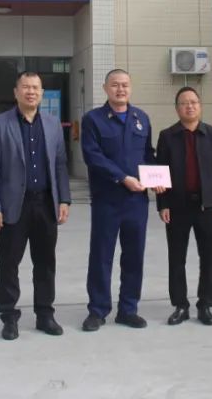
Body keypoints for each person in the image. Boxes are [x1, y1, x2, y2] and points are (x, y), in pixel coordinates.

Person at [0, 71, 72, 341]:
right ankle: (9, 317)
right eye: (25, 87)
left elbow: (60, 164)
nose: (31, 92)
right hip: (14, 205)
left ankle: (45, 314)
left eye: (35, 87)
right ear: (16, 92)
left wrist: (64, 199)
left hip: (45, 203)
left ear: (41, 93)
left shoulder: (52, 124)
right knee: (9, 263)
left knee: (45, 262)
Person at [80, 69, 156, 331]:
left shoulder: (141, 118)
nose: (120, 89)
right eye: (115, 85)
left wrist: (155, 177)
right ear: (105, 88)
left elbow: (147, 154)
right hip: (107, 200)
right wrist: (123, 178)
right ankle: (98, 310)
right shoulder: (93, 120)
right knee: (102, 255)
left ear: (130, 88)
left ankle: (128, 309)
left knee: (134, 256)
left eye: (124, 85)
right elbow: (92, 156)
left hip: (137, 201)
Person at [155, 87, 212, 326]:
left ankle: (205, 305)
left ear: (200, 106)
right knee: (177, 258)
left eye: (194, 102)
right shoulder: (167, 136)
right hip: (177, 207)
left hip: (207, 206)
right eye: (184, 103)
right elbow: (161, 172)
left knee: (208, 257)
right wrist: (163, 204)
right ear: (177, 108)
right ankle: (180, 305)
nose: (189, 106)